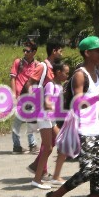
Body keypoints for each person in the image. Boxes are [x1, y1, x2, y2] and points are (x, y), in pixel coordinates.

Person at [46, 36, 99, 197]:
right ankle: (55, 196)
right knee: (88, 171)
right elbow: (78, 102)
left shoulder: (97, 73)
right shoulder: (80, 74)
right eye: (98, 51)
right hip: (83, 129)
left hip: (96, 128)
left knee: (98, 172)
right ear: (87, 53)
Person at [28, 40, 65, 186]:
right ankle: (39, 175)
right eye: (61, 50)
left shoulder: (53, 69)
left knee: (57, 141)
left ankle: (44, 172)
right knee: (48, 145)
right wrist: (35, 102)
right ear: (54, 51)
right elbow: (30, 83)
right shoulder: (43, 66)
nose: (62, 54)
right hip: (43, 111)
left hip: (50, 113)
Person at [10, 41, 39, 154]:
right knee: (21, 121)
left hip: (31, 97)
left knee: (28, 120)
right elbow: (13, 78)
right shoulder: (18, 62)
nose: (25, 52)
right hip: (20, 97)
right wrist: (13, 94)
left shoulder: (37, 65)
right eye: (24, 50)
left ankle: (21, 146)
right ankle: (26, 145)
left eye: (28, 51)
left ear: (34, 52)